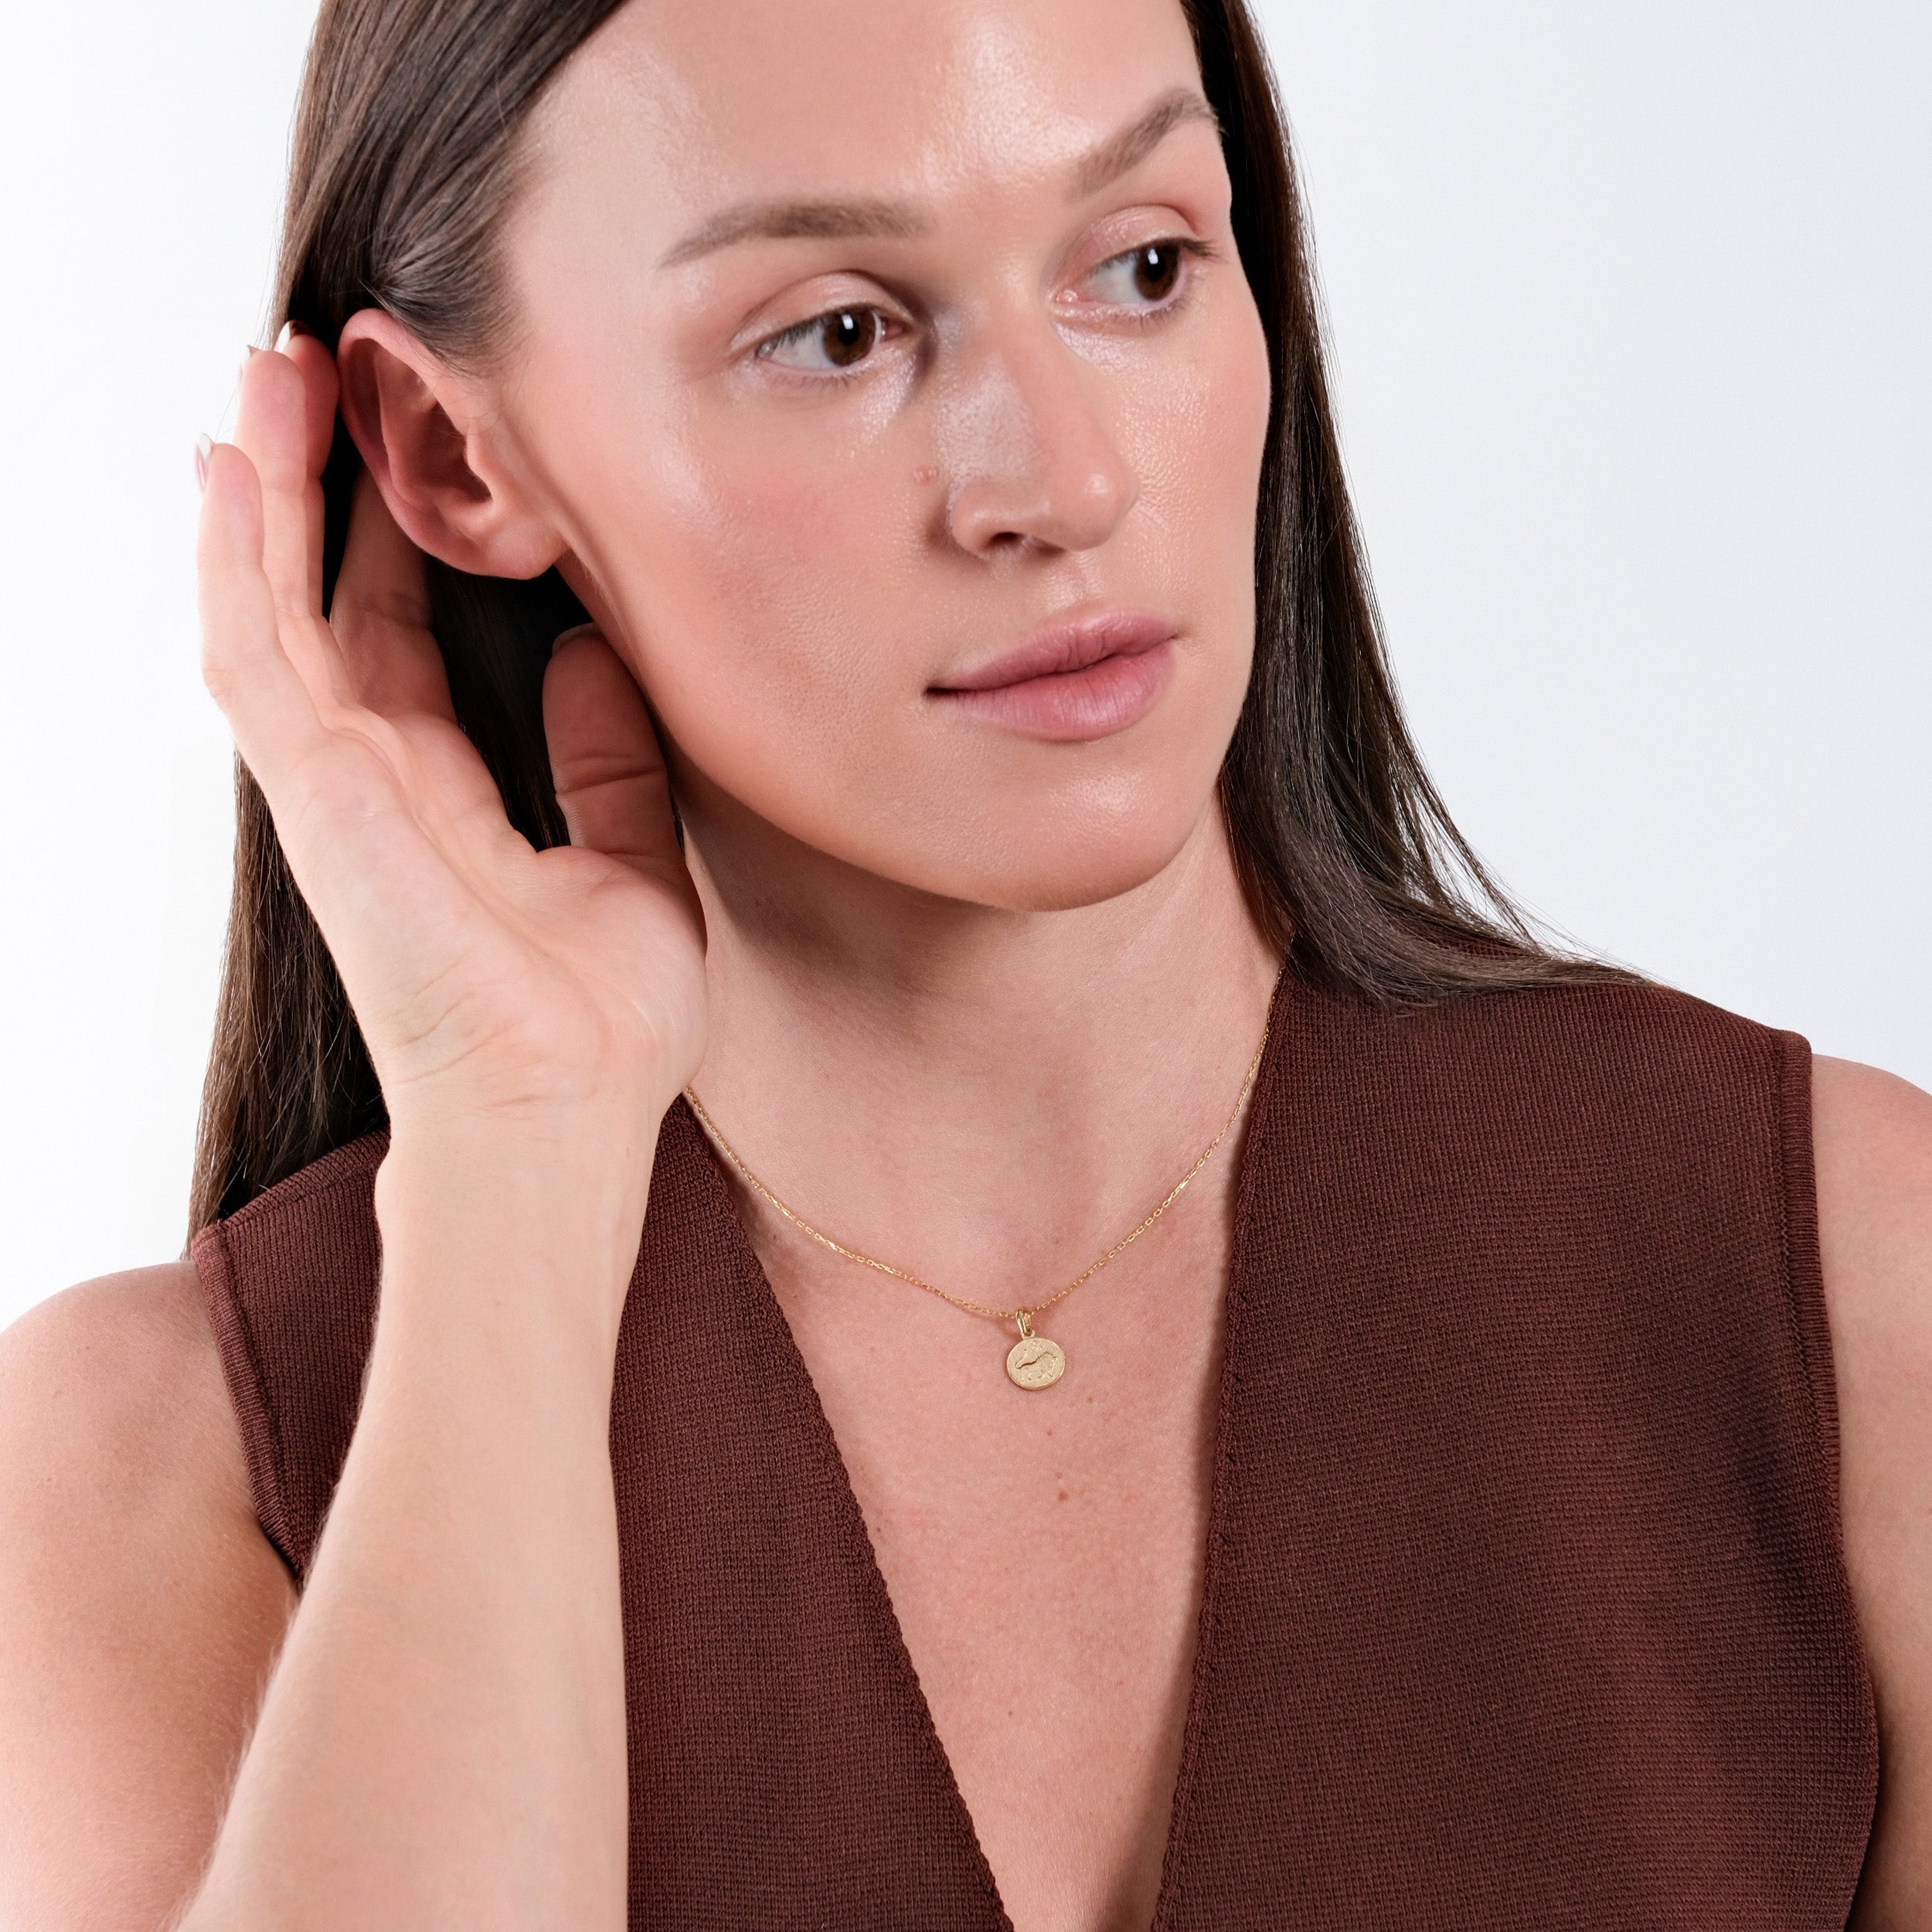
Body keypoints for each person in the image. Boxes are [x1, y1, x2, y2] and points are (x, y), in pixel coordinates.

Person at [1, 0, 1927, 1924]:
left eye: (1143, 266)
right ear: (451, 452)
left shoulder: (1846, 1283)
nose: (1060, 480)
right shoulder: (152, 1473)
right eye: (837, 331)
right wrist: (512, 1162)